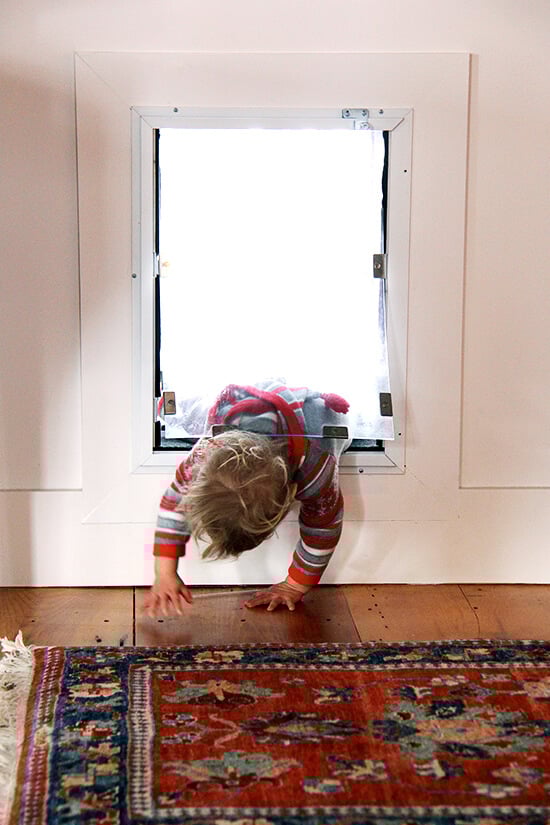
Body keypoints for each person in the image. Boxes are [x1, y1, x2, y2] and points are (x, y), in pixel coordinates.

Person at [144, 381, 350, 617]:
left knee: (334, 420)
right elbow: (174, 506)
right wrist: (165, 572)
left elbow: (323, 528)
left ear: (291, 494)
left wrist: (295, 585)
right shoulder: (204, 457)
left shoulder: (314, 466)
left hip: (312, 417)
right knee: (192, 411)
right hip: (244, 406)